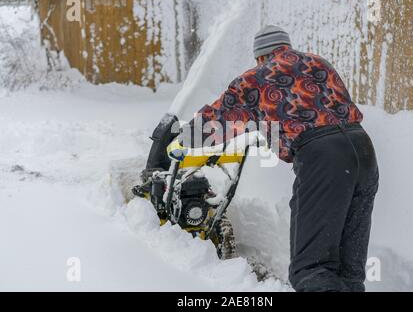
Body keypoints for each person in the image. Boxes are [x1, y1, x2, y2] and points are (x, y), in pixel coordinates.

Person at [143, 25, 379, 292]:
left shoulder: (257, 77)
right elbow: (317, 109)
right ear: (287, 47)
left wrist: (183, 141)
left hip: (323, 159)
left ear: (259, 57)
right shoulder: (318, 63)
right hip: (363, 151)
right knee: (349, 271)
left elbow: (221, 119)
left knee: (313, 269)